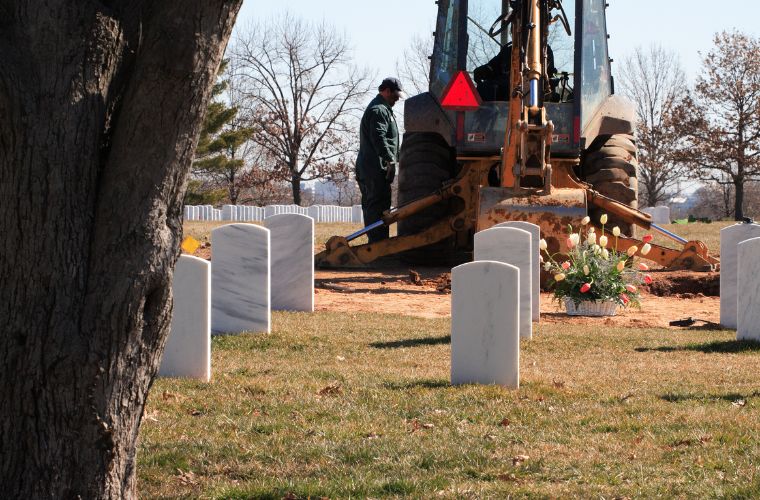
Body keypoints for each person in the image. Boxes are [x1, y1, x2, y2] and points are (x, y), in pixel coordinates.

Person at [356, 77, 402, 243]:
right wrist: (390, 160)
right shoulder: (378, 110)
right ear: (386, 91)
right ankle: (376, 246)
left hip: (376, 167)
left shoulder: (385, 109)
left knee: (381, 206)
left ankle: (380, 244)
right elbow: (379, 138)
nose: (397, 99)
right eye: (395, 95)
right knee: (375, 206)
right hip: (373, 167)